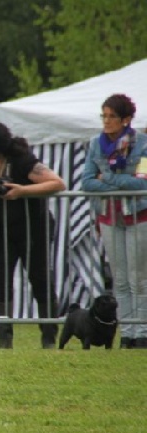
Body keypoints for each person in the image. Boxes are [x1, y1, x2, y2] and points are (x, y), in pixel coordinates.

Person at [0, 121, 65, 349]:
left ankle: (49, 337)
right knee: (0, 282)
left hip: (33, 229)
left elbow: (57, 183)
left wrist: (22, 190)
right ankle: (4, 339)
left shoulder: (23, 160)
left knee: (40, 280)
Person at [81, 94, 147, 349]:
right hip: (109, 215)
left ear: (126, 119)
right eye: (104, 116)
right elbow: (87, 182)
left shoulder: (142, 144)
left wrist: (107, 178)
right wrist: (116, 183)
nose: (106, 121)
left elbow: (141, 183)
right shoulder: (95, 145)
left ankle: (141, 332)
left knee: (139, 278)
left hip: (138, 214)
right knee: (119, 278)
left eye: (112, 117)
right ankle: (127, 333)